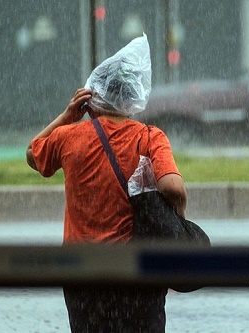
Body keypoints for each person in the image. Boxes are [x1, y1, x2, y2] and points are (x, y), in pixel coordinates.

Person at [26, 35, 187, 332]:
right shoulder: (149, 137)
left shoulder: (67, 138)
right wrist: (179, 222)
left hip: (80, 272)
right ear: (133, 97)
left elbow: (32, 154)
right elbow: (172, 188)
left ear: (92, 97)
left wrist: (67, 116)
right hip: (134, 271)